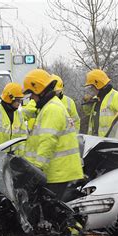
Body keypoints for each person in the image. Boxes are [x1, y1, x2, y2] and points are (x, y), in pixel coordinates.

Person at [22, 69, 83, 201]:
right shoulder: (49, 107)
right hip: (57, 172)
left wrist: (36, 170)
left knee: (52, 215)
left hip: (57, 173)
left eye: (31, 93)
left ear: (39, 90)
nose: (31, 97)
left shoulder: (52, 109)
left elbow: (47, 141)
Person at [0, 82, 27, 155]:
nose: (19, 103)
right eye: (17, 100)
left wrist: (20, 157)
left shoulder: (19, 115)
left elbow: (23, 138)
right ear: (9, 98)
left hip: (13, 159)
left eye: (21, 100)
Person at [83, 69, 118, 137]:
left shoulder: (117, 97)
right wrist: (87, 103)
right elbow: (88, 113)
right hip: (95, 142)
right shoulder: (96, 99)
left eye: (92, 87)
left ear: (97, 84)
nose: (91, 89)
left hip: (111, 143)